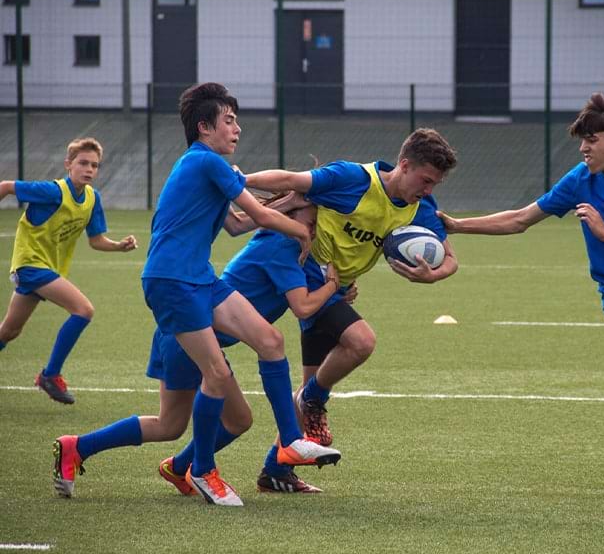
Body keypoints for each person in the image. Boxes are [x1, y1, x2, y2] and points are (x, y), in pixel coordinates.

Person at [52, 83, 340, 507]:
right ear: (205, 127)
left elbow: (240, 223)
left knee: (265, 349)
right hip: (172, 281)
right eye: (229, 120)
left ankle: (77, 447)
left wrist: (293, 207)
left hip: (200, 279)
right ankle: (203, 470)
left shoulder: (204, 167)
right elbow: (258, 215)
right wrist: (304, 232)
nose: (237, 128)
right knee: (218, 376)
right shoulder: (207, 161)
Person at [437, 93, 604, 508]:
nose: (583, 148)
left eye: (591, 140)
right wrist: (457, 225)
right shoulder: (580, 179)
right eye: (582, 141)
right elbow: (522, 219)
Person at [52, 203, 344, 500]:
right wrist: (334, 284)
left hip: (185, 334)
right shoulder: (281, 246)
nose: (315, 228)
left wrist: (336, 288)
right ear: (289, 216)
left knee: (178, 424)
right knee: (208, 419)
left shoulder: (285, 247)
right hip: (190, 336)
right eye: (311, 221)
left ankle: (95, 450)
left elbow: (307, 292)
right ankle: (195, 467)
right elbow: (304, 305)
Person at [243, 127, 459, 458]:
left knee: (310, 382)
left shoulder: (422, 207)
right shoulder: (353, 178)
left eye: (435, 184)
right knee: (361, 341)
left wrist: (431, 276)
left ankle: (276, 469)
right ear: (404, 165)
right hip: (311, 273)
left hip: (337, 287)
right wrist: (238, 181)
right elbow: (292, 179)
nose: (428, 189)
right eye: (425, 180)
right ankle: (315, 398)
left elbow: (451, 260)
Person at [0, 137, 137, 405]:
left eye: (94, 165)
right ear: (68, 165)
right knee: (83, 310)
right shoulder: (52, 191)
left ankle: (49, 374)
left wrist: (120, 246)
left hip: (47, 268)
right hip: (30, 264)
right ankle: (50, 375)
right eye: (83, 163)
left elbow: (96, 240)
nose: (89, 169)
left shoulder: (91, 198)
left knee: (9, 331)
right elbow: (6, 187)